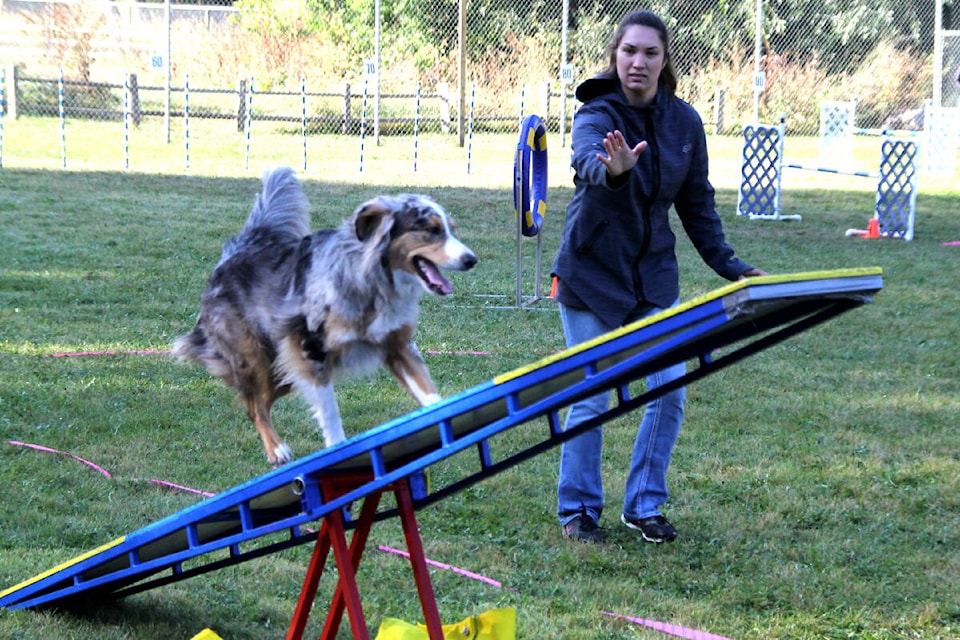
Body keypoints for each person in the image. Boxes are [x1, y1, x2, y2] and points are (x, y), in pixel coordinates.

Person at [552, 9, 767, 544]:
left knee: (669, 387)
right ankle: (578, 511)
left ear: (665, 60)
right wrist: (614, 171)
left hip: (652, 278)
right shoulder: (596, 114)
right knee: (593, 390)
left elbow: (697, 206)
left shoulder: (685, 124)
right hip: (591, 275)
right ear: (615, 57)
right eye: (629, 52)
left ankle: (644, 505)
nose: (638, 62)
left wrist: (734, 268)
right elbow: (586, 162)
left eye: (650, 52)